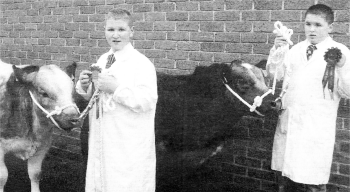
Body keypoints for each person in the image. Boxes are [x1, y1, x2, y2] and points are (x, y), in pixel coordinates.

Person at [270, 4, 350, 192]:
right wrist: (277, 51)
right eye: (308, 24)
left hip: (315, 129)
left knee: (312, 182)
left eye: (318, 25)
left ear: (330, 27)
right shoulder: (295, 49)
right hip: (289, 123)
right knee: (285, 181)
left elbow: (348, 91)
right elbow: (276, 74)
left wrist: (342, 67)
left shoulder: (340, 52)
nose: (311, 29)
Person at [76, 9, 158, 192]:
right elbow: (98, 96)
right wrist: (86, 86)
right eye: (110, 29)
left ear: (131, 31)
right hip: (102, 136)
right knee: (101, 181)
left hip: (127, 142)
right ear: (104, 30)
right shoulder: (104, 59)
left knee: (124, 183)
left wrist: (117, 89)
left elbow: (147, 100)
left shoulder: (141, 64)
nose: (115, 35)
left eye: (121, 29)